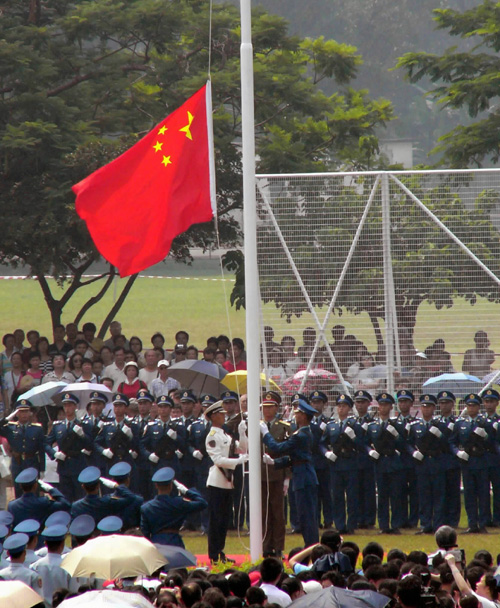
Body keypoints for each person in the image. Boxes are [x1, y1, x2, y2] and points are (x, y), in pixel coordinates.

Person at [260, 396, 319, 546]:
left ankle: (311, 547)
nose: (295, 415)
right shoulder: (302, 433)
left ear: (304, 416)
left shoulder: (301, 435)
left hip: (303, 477)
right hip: (302, 474)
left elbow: (278, 448)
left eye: (297, 412)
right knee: (304, 514)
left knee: (307, 515)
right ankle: (310, 545)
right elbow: (294, 458)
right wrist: (275, 462)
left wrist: (266, 433)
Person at [205, 400, 248, 563]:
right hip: (217, 482)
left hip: (228, 482)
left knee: (224, 520)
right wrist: (238, 461)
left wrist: (242, 433)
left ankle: (220, 551)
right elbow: (218, 459)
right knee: (215, 520)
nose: (224, 416)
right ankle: (213, 554)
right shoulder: (212, 437)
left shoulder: (225, 435)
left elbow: (242, 449)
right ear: (213, 416)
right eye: (220, 414)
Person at [320, 394, 361, 533]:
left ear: (349, 408)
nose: (341, 408)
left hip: (351, 463)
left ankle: (351, 525)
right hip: (336, 465)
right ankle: (339, 525)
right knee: (337, 496)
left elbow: (362, 444)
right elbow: (322, 443)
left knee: (352, 496)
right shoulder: (331, 425)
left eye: (344, 406)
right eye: (339, 406)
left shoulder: (355, 424)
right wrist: (326, 453)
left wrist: (354, 436)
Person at [450, 393, 491, 533]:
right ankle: (472, 523)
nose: (471, 408)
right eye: (469, 405)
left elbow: (493, 442)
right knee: (469, 494)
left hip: (482, 461)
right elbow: (452, 442)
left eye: (474, 405)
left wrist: (486, 437)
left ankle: (483, 523)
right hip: (467, 463)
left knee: (483, 494)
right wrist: (458, 452)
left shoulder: (485, 422)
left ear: (479, 407)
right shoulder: (461, 423)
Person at [406, 394, 447, 534]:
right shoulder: (415, 425)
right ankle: (425, 524)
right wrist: (413, 453)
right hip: (422, 464)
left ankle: (438, 525)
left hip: (437, 463)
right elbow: (408, 443)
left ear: (434, 408)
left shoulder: (440, 425)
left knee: (438, 497)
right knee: (423, 496)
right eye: (423, 406)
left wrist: (440, 435)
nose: (426, 409)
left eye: (429, 406)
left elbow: (447, 444)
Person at [366, 392, 405, 534]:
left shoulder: (397, 424)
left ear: (390, 407)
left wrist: (396, 434)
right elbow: (365, 443)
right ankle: (383, 525)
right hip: (380, 462)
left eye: (386, 405)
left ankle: (395, 525)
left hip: (394, 462)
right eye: (381, 405)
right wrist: (370, 451)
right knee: (382, 496)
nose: (383, 407)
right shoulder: (372, 426)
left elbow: (403, 444)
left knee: (395, 495)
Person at [140, 466, 207, 547]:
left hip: (156, 543)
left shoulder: (146, 507)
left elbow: (145, 533)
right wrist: (187, 491)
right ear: (171, 485)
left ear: (156, 485)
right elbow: (202, 503)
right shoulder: (179, 503)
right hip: (175, 542)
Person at [44, 392, 93, 501]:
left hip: (78, 464)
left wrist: (82, 435)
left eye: (70, 405)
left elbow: (90, 445)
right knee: (66, 497)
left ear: (75, 406)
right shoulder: (58, 426)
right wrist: (54, 453)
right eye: (65, 405)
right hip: (63, 465)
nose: (67, 408)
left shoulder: (83, 424)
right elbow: (46, 443)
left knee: (80, 496)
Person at [259, 392, 290, 557]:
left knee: (278, 513)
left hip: (277, 474)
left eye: (270, 407)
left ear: (277, 408)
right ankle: (265, 546)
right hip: (261, 475)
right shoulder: (256, 425)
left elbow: (288, 452)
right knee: (263, 512)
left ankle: (278, 547)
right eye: (264, 407)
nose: (267, 410)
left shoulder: (284, 426)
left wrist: (287, 478)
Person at [0, 399, 45, 497]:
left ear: (30, 413)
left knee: (33, 490)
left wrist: (42, 469)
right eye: (21, 411)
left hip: (32, 461)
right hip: (17, 462)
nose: (24, 414)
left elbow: (41, 449)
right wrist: (7, 418)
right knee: (19, 490)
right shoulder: (10, 427)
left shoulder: (37, 428)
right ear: (16, 413)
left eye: (26, 411)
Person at [70, 465, 143, 521]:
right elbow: (131, 497)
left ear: (83, 486)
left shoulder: (75, 506)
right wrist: (116, 485)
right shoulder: (106, 502)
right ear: (98, 486)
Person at [309, 390, 334, 529]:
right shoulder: (306, 421)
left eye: (318, 402)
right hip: (311, 461)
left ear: (324, 404)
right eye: (313, 402)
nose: (315, 405)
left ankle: (328, 520)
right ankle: (315, 520)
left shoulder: (329, 422)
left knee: (326, 493)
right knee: (314, 495)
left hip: (324, 462)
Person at [436, 390, 461, 527]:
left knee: (453, 492)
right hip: (439, 460)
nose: (444, 406)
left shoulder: (457, 422)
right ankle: (441, 520)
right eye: (441, 403)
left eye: (447, 403)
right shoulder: (436, 422)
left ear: (452, 404)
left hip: (452, 461)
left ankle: (453, 520)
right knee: (441, 493)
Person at [353, 389, 377, 529]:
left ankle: (369, 519)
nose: (360, 405)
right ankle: (358, 518)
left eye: (363, 402)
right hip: (355, 460)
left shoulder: (372, 421)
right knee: (356, 491)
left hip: (368, 460)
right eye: (358, 402)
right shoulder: (353, 422)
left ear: (368, 404)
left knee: (368, 491)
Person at [31, 524, 72, 606]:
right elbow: (72, 592)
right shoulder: (68, 566)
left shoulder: (35, 566)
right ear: (62, 545)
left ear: (45, 544)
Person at [395, 389, 419, 528]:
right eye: (401, 401)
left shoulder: (416, 422)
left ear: (411, 404)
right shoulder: (393, 422)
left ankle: (413, 520)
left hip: (413, 461)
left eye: (406, 401)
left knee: (415, 493)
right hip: (398, 462)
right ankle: (402, 520)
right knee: (400, 492)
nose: (403, 404)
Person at [482, 388, 500, 527]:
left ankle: (497, 519)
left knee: (498, 490)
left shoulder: (498, 420)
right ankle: (485, 519)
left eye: (491, 401)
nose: (489, 404)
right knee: (483, 491)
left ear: (497, 403)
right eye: (486, 401)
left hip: (495, 459)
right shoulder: (479, 420)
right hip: (482, 459)